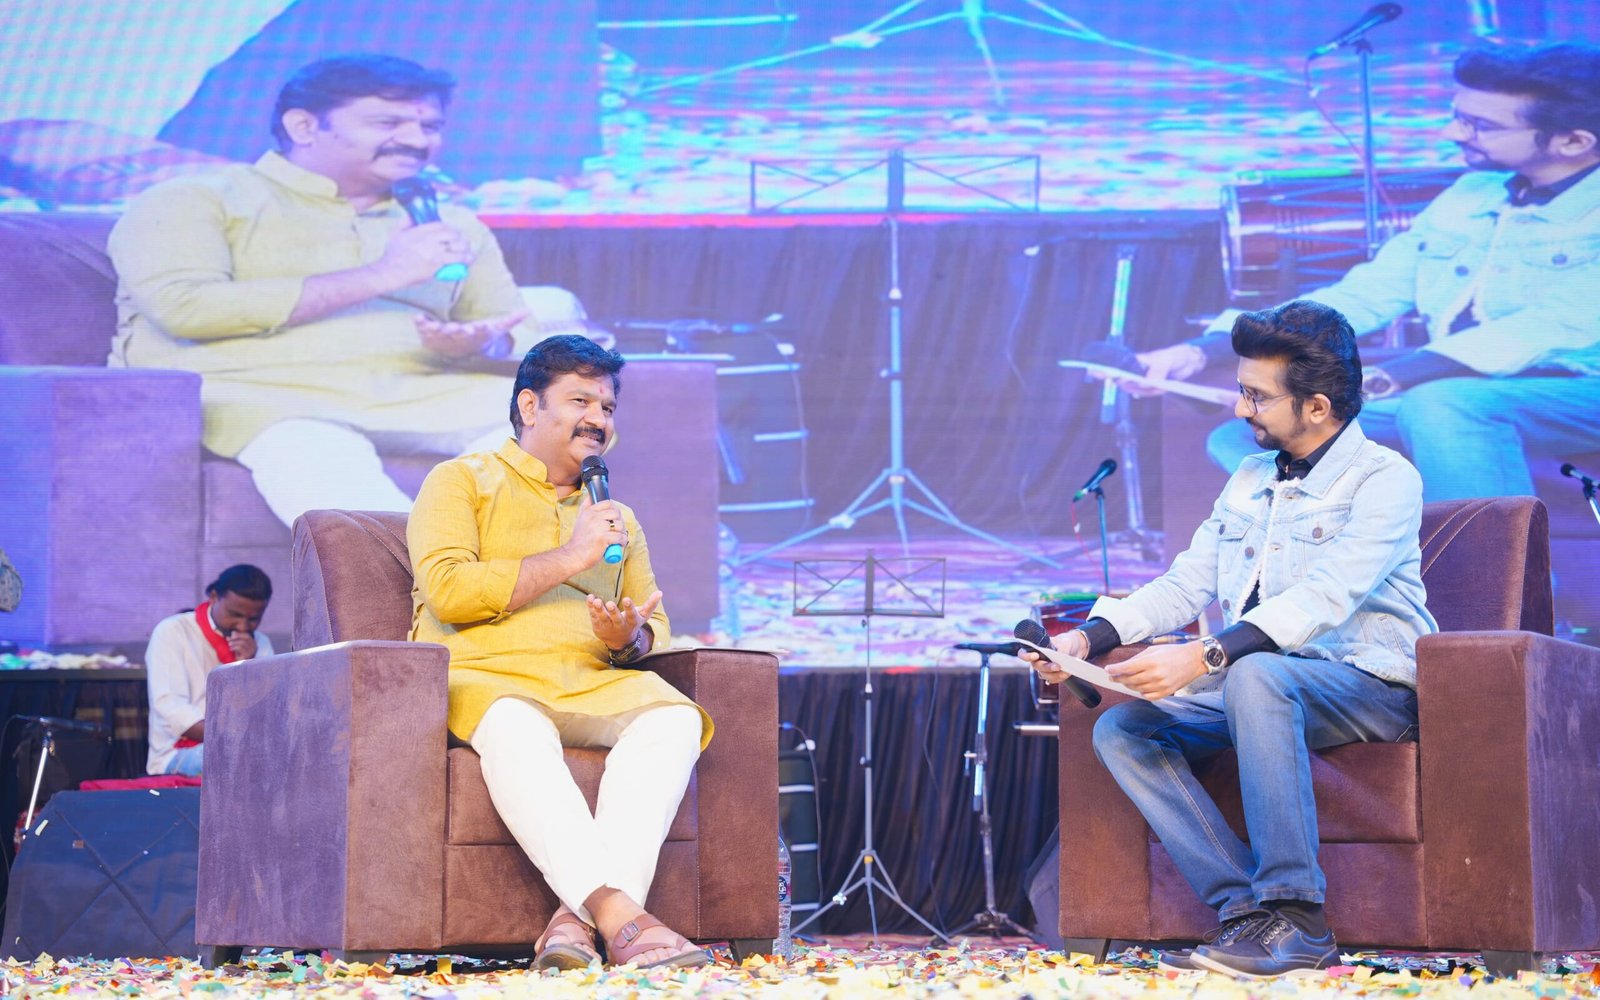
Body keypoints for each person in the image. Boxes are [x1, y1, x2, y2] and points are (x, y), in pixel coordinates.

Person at [1027, 301, 1438, 978]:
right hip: (1263, 687)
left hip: (1368, 684)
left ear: (1316, 406)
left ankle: (1299, 919)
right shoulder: (1249, 478)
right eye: (1242, 390)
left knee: (1256, 674)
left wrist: (1205, 654)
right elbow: (1186, 582)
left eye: (1257, 396)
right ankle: (1247, 914)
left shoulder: (1385, 478)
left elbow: (1326, 595)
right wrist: (1087, 640)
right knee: (1124, 731)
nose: (1240, 407)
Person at [108, 54, 587, 528]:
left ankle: (481, 558)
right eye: (387, 122)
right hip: (267, 393)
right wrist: (383, 274)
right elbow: (185, 307)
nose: (418, 140)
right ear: (303, 126)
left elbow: (519, 329)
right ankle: (421, 567)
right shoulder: (195, 199)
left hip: (419, 390)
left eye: (430, 126)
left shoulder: (450, 223)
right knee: (314, 451)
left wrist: (484, 343)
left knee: (552, 422)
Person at [1128, 43, 1600, 500]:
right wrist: (1204, 350)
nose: (1452, 134)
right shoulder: (1470, 195)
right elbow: (1366, 294)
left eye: (1480, 126)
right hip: (1454, 388)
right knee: (1252, 437)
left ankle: (1492, 559)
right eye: (1458, 116)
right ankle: (1359, 550)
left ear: (1575, 141)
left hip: (1577, 389)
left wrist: (1385, 378)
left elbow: (1550, 325)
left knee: (1443, 404)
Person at [407, 334, 711, 971]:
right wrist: (573, 555)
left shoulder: (615, 517)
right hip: (488, 676)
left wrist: (627, 639)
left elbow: (652, 623)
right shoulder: (461, 480)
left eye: (608, 407)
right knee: (515, 725)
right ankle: (619, 915)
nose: (598, 419)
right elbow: (449, 591)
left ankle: (574, 923)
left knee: (675, 717)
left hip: (591, 678)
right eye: (581, 401)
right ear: (529, 405)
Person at [145, 565, 274, 777]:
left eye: (253, 619)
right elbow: (169, 706)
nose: (242, 627)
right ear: (214, 597)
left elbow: (266, 710)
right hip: (178, 752)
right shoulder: (172, 631)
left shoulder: (260, 643)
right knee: (240, 756)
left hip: (245, 744)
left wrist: (247, 667)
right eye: (234, 614)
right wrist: (234, 738)